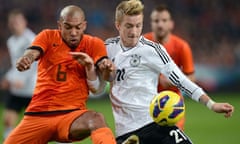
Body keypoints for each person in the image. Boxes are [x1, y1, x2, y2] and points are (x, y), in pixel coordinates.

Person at [105, 0, 234, 144]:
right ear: (118, 25)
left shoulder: (152, 50)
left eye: (138, 25)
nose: (134, 32)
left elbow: (181, 80)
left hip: (154, 124)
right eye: (129, 26)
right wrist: (102, 73)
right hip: (125, 132)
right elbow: (96, 88)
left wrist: (211, 104)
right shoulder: (107, 49)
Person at [4, 5, 116, 144]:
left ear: (84, 25)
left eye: (78, 27)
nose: (73, 32)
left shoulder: (94, 44)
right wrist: (27, 59)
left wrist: (108, 67)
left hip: (71, 116)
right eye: (68, 27)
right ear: (59, 25)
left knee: (96, 119)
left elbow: (106, 72)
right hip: (38, 115)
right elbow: (33, 51)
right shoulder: (47, 36)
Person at [144, 4, 195, 130]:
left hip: (171, 103)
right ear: (151, 24)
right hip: (145, 101)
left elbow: (191, 77)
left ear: (171, 24)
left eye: (164, 20)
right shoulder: (142, 43)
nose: (160, 24)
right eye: (156, 21)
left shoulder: (182, 47)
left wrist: (174, 81)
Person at [0, 9, 37, 140]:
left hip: (32, 90)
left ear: (24, 22)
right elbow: (15, 64)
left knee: (37, 127)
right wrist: (8, 78)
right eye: (12, 22)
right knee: (8, 121)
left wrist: (23, 80)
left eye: (17, 21)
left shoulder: (31, 39)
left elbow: (35, 65)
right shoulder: (11, 41)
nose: (14, 25)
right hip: (17, 89)